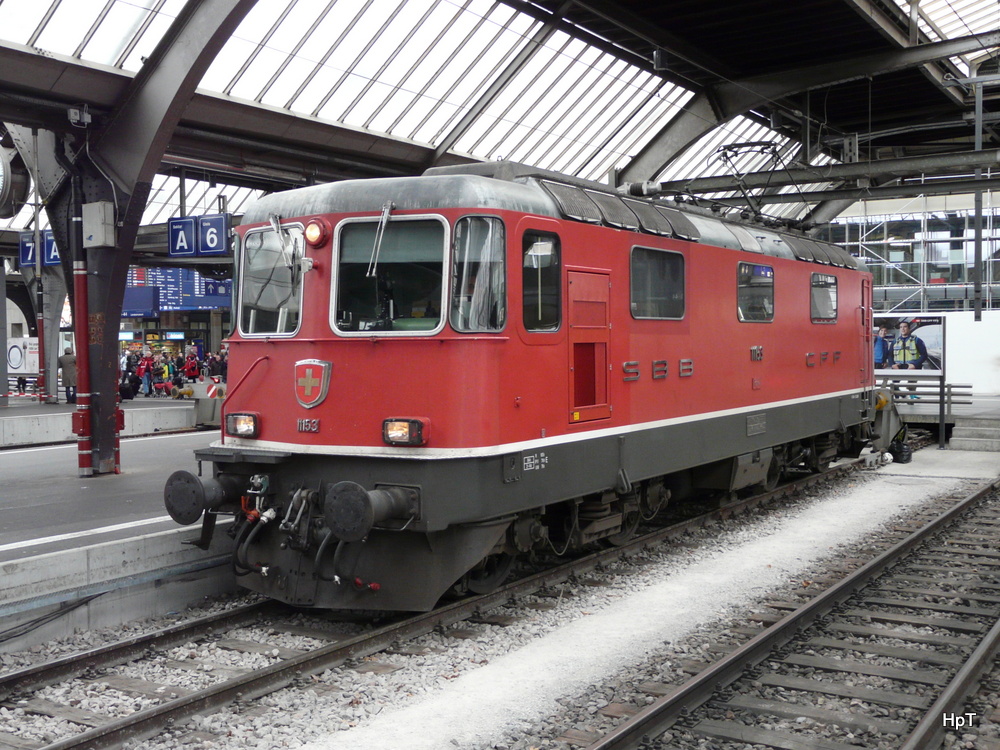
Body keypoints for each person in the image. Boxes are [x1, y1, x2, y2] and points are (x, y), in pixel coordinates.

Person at [891, 321, 928, 398]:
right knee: (894, 385)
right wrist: (893, 365)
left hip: (912, 367)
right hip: (899, 366)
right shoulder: (895, 341)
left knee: (911, 386)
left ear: (909, 328)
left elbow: (924, 355)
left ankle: (911, 400)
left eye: (905, 327)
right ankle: (901, 396)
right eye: (901, 327)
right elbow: (889, 355)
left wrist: (915, 364)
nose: (902, 329)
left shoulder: (917, 340)